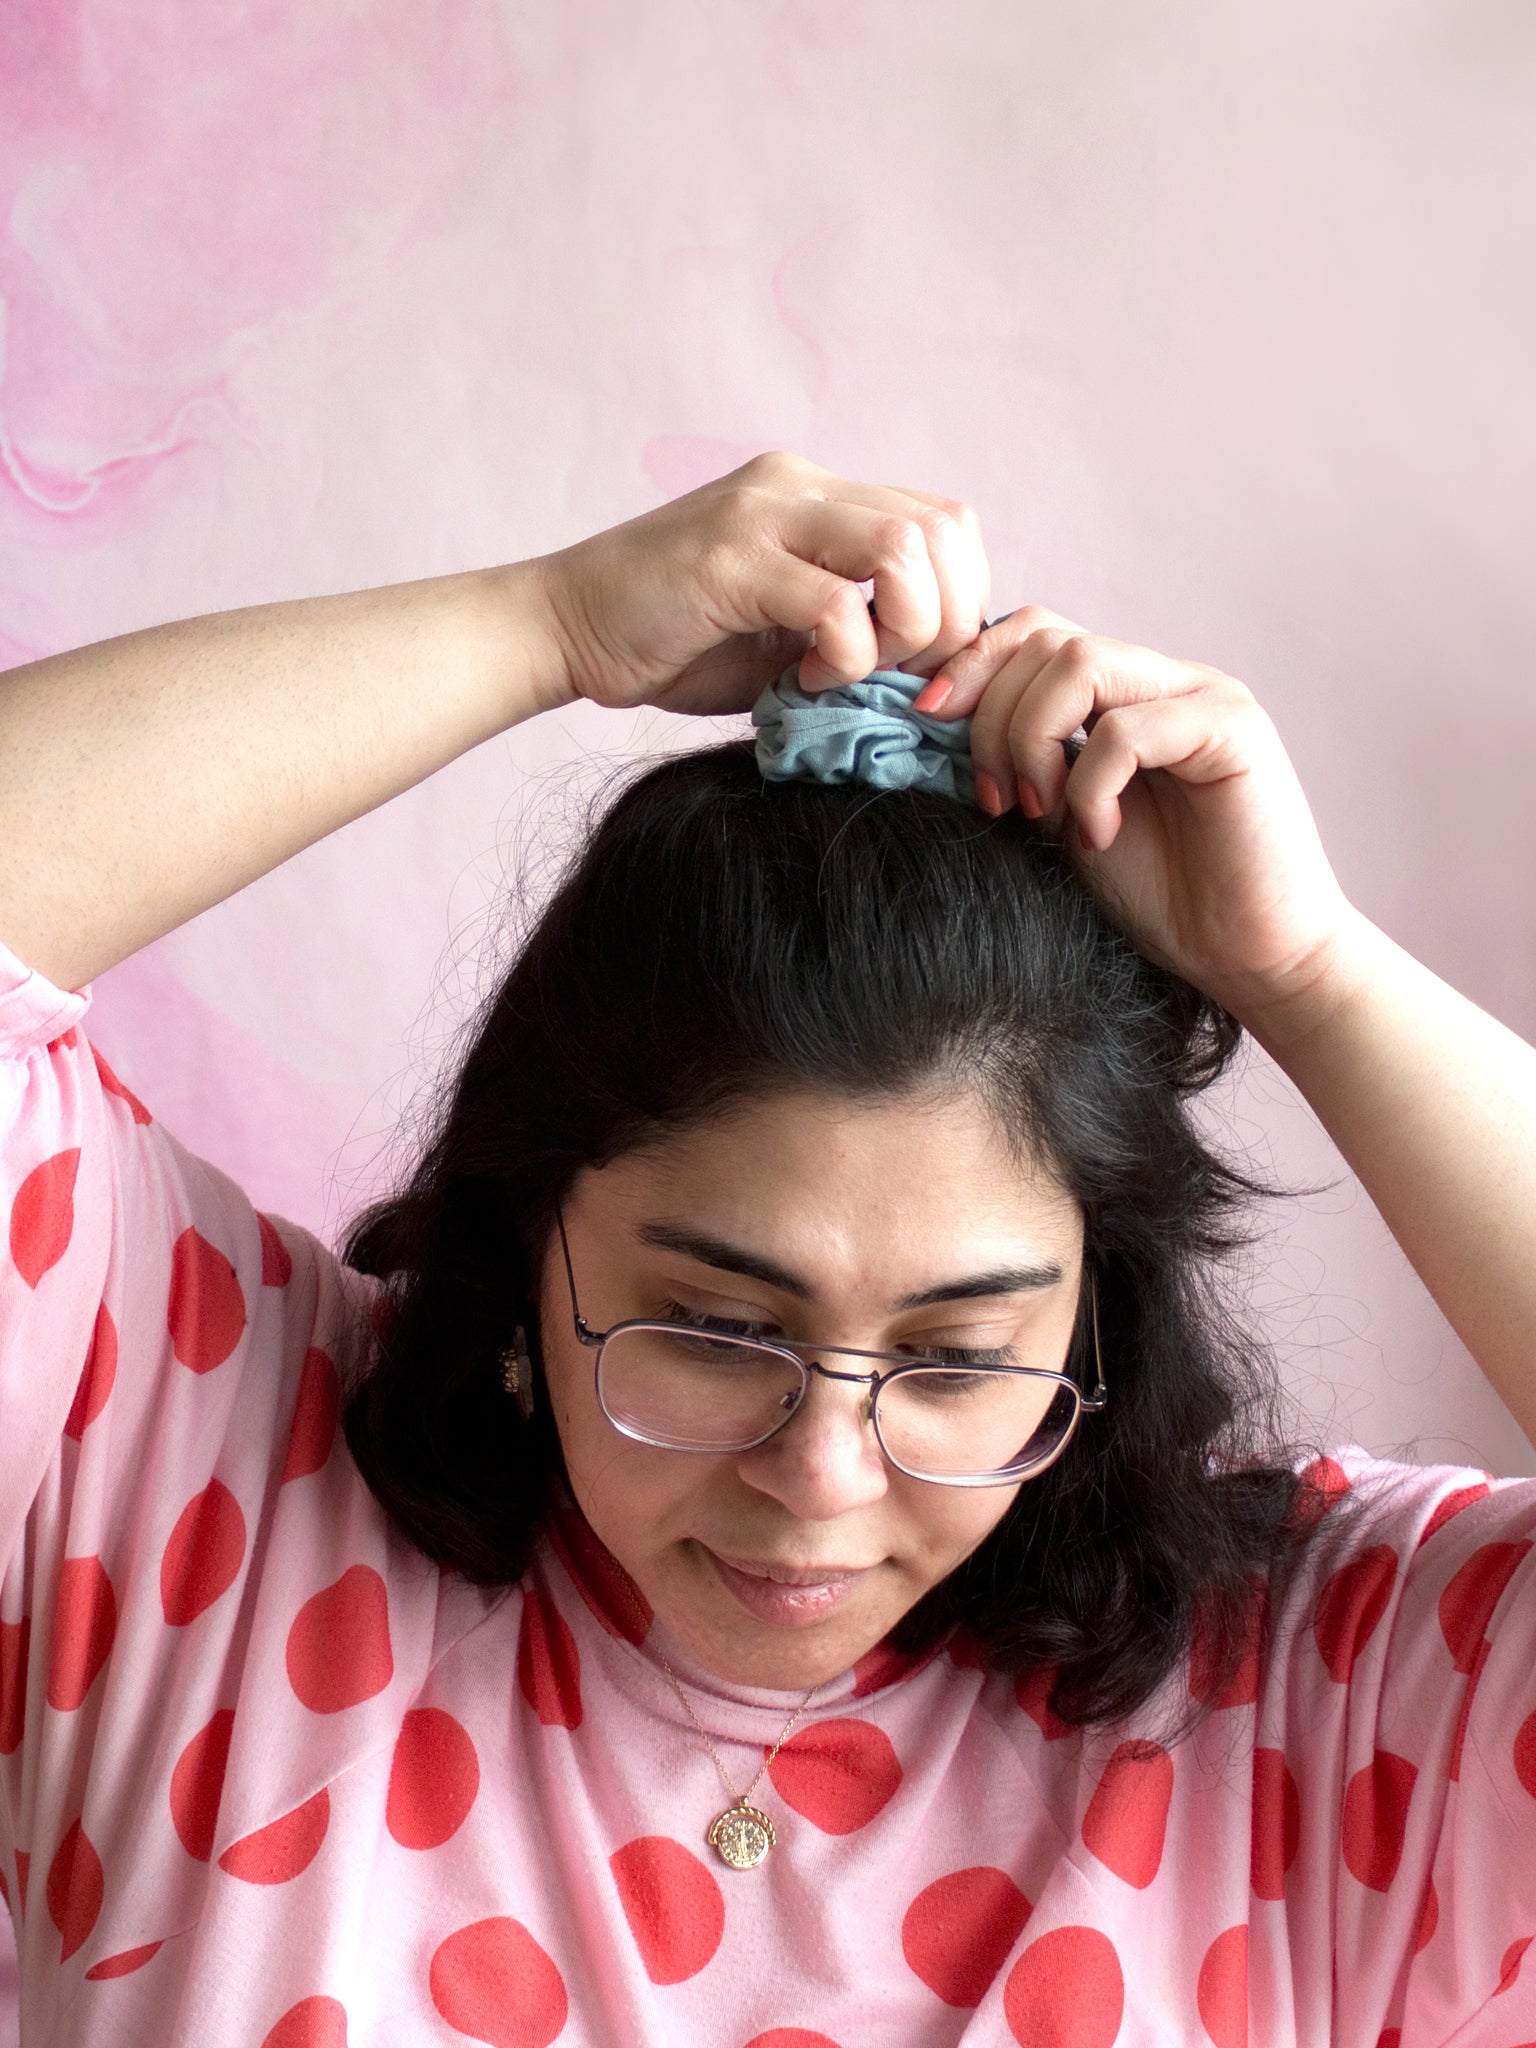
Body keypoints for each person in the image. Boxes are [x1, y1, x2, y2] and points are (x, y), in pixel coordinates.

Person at [0, 451, 1532, 2047]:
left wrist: (1312, 972)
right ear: (538, 1236)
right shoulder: (205, 1485)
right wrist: (547, 626)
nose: (822, 1479)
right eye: (718, 1329)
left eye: (954, 1360)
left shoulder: (1326, 1698)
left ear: (1094, 1330)